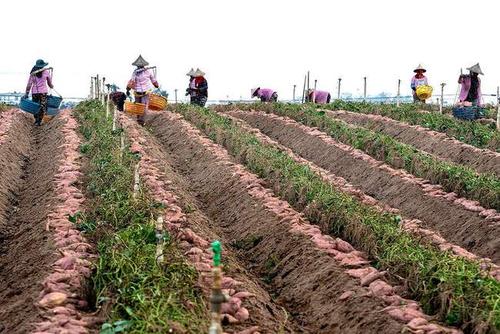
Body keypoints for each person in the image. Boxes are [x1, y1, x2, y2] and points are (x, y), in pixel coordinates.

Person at [126, 55, 159, 125]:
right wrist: (156, 85)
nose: (139, 67)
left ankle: (141, 120)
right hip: (138, 92)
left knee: (142, 106)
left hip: (144, 92)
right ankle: (139, 120)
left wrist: (128, 89)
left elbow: (153, 80)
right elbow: (132, 81)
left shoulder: (144, 72)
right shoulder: (136, 72)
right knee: (140, 106)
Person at [24, 59, 54, 126]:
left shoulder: (33, 73)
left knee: (35, 106)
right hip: (43, 92)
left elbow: (29, 84)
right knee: (43, 106)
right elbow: (49, 83)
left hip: (34, 92)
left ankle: (36, 120)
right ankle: (39, 121)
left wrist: (26, 93)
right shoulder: (46, 72)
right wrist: (52, 86)